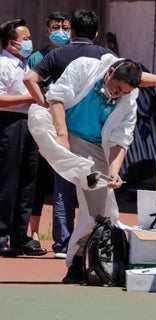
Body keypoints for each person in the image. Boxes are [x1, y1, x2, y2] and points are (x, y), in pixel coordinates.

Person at [28, 54, 156, 284]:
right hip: (61, 129)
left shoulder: (129, 99)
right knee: (36, 116)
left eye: (125, 92)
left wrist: (115, 170)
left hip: (93, 145)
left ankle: (78, 263)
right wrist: (62, 136)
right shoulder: (84, 67)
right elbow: (56, 98)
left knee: (99, 207)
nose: (119, 94)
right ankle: (61, 157)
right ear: (109, 73)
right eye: (117, 88)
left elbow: (121, 139)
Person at [24, 9, 115, 259]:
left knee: (63, 186)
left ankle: (63, 243)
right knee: (95, 189)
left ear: (72, 31)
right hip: (94, 133)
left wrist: (44, 102)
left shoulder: (58, 53)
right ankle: (92, 242)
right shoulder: (106, 55)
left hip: (63, 129)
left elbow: (30, 79)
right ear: (96, 34)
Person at [27, 11, 71, 259]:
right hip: (42, 124)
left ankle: (64, 236)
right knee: (37, 179)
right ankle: (33, 233)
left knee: (64, 180)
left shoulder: (72, 55)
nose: (61, 31)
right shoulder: (36, 58)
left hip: (66, 124)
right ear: (47, 30)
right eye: (56, 27)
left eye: (65, 27)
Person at [0, 19, 44, 258]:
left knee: (28, 181)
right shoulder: (3, 65)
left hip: (30, 123)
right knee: (8, 180)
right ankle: (1, 234)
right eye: (25, 39)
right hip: (9, 123)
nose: (30, 43)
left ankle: (19, 235)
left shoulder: (28, 65)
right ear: (11, 43)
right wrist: (30, 98)